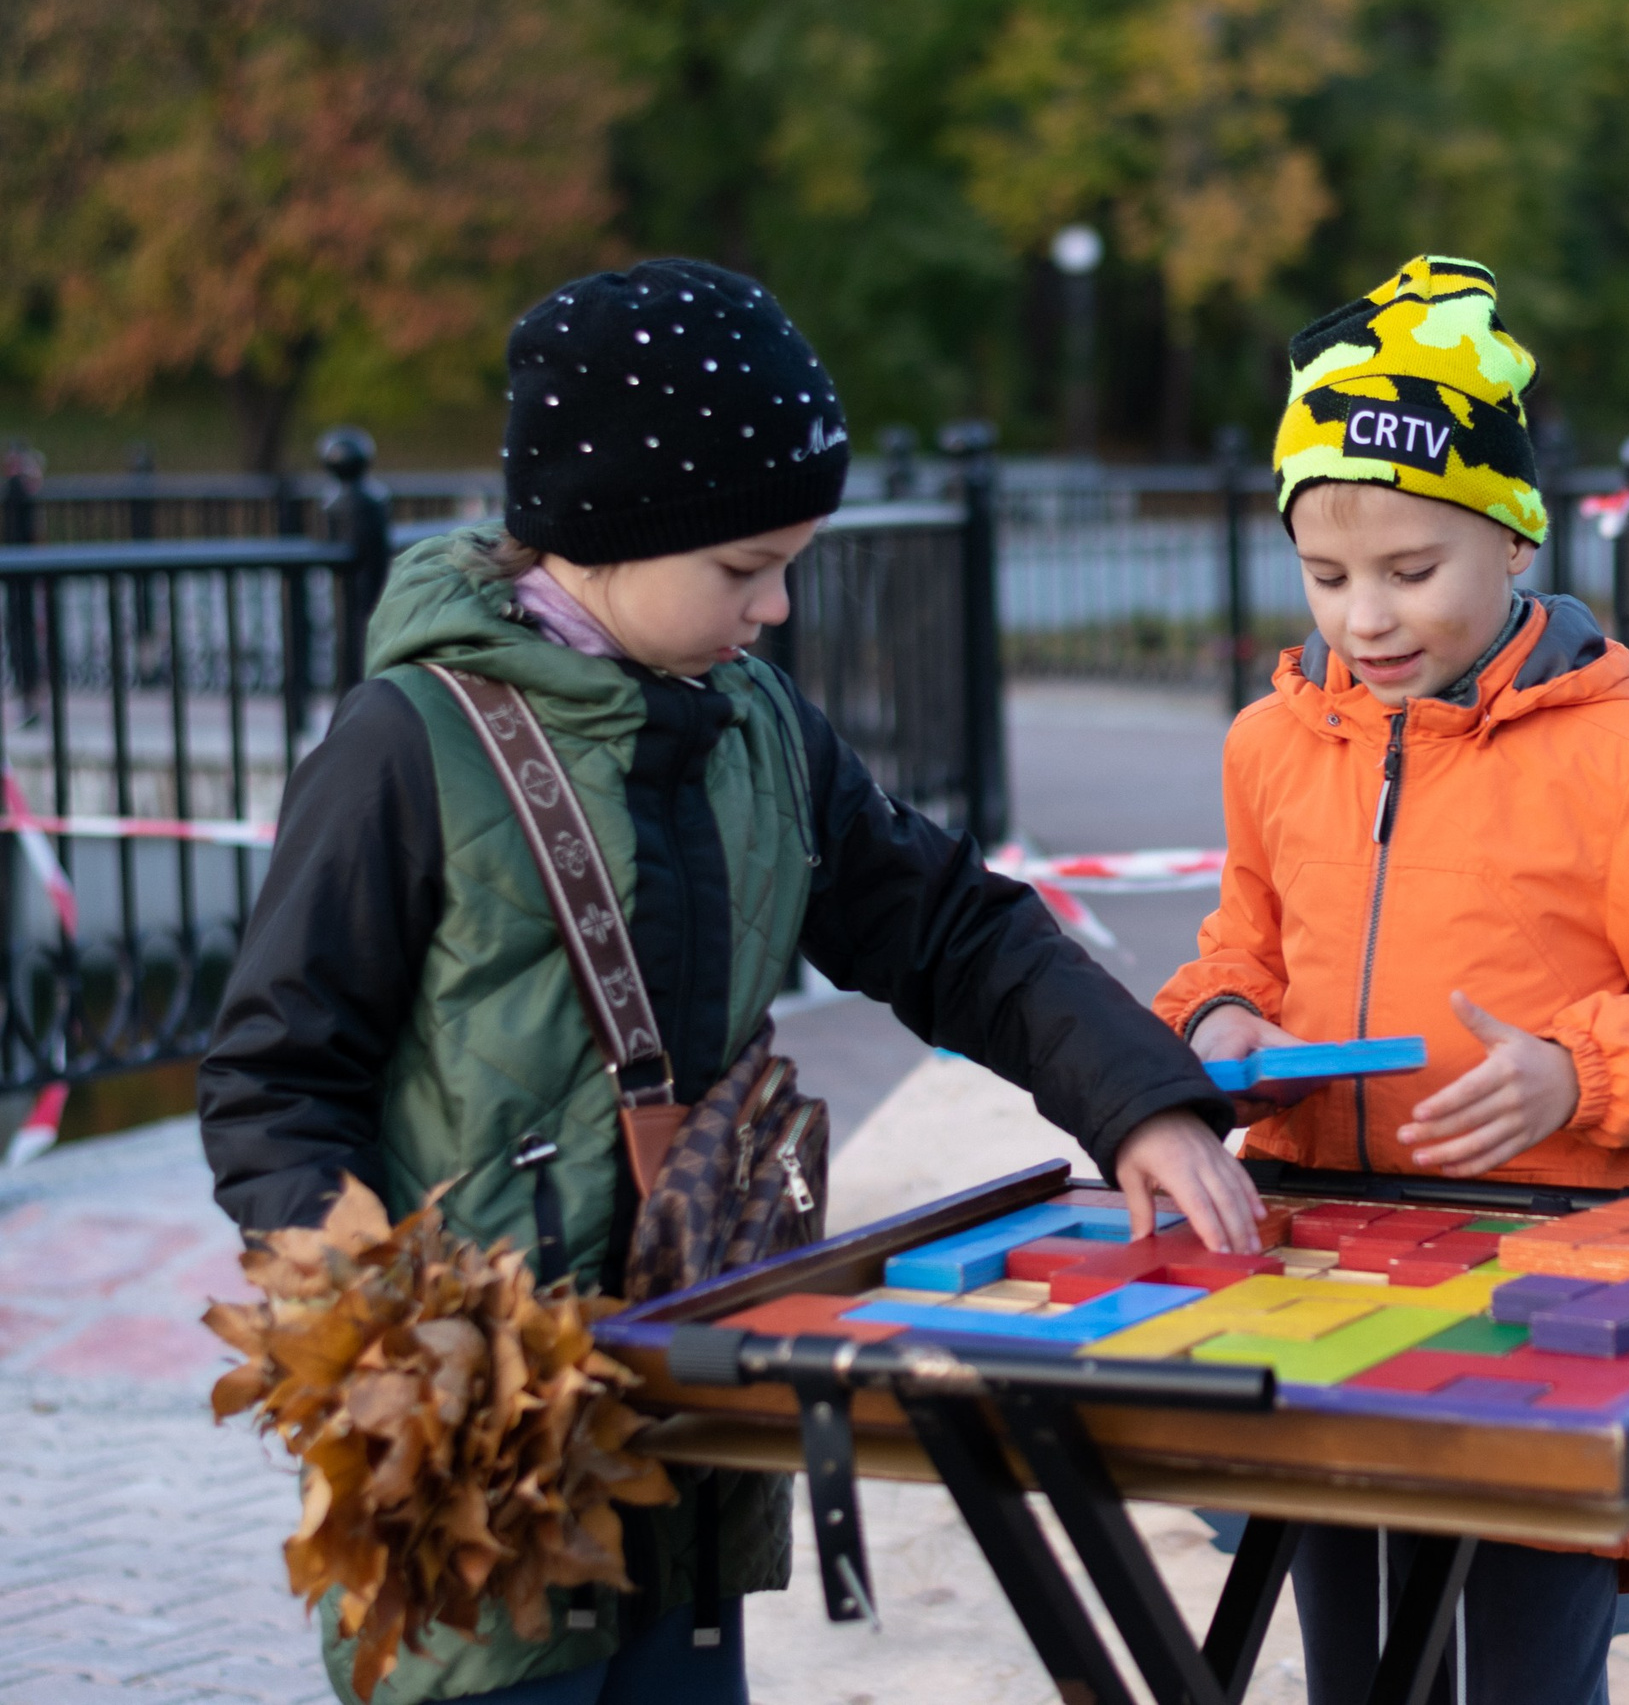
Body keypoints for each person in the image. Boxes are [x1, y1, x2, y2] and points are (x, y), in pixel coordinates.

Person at [198, 257, 1264, 1705]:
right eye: (744, 569)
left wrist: (1138, 1103)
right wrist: (381, 1333)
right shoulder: (408, 746)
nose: (774, 609)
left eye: (789, 564)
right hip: (475, 1459)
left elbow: (950, 926)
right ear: (603, 535)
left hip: (694, 1417)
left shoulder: (759, 726)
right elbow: (273, 1079)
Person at [1154, 255, 1629, 1705]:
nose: (1364, 620)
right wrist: (1219, 1023)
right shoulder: (1273, 745)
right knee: (1352, 1678)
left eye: (1409, 572)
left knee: (1523, 1676)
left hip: (1560, 1293)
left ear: (1515, 544)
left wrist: (1576, 1071)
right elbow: (1234, 950)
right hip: (1321, 1271)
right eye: (1326, 578)